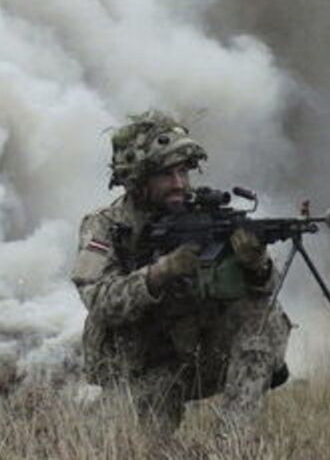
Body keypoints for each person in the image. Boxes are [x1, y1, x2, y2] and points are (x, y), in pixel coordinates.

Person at [71, 110, 291, 432]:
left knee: (265, 318)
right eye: (166, 175)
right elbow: (99, 300)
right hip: (142, 368)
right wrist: (161, 272)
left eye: (184, 172)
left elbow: (265, 290)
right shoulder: (105, 226)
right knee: (128, 445)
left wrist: (256, 265)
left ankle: (233, 444)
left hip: (202, 355)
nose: (179, 184)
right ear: (139, 179)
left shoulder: (208, 218)